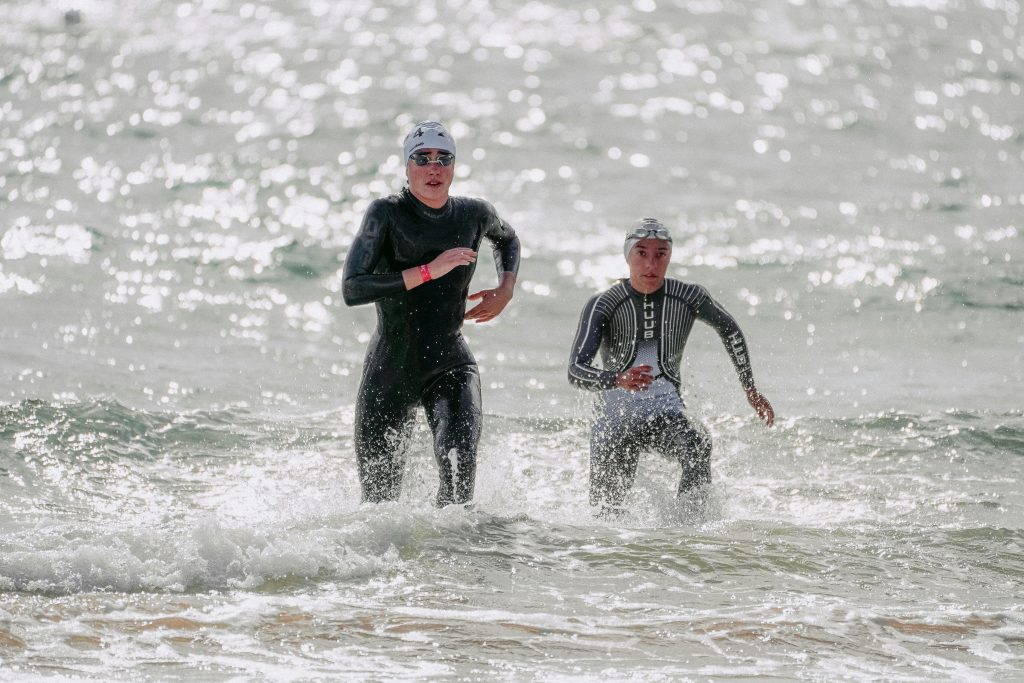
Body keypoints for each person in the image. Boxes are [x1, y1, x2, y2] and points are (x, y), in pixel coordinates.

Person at [342, 120, 520, 507]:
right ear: (407, 167)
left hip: (449, 363)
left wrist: (506, 288)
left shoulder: (474, 213)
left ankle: (454, 547)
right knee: (378, 504)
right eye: (422, 159)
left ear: (454, 166)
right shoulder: (385, 214)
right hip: (391, 368)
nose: (434, 168)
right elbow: (352, 287)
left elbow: (507, 239)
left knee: (459, 471)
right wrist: (428, 271)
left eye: (444, 159)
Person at [568, 218, 774, 513]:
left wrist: (749, 389)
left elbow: (730, 330)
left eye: (660, 254)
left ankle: (689, 528)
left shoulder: (689, 297)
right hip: (615, 421)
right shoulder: (604, 303)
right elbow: (576, 370)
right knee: (607, 516)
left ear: (669, 256)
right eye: (641, 253)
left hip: (664, 413)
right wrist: (617, 379)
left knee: (698, 443)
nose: (651, 264)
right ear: (628, 255)